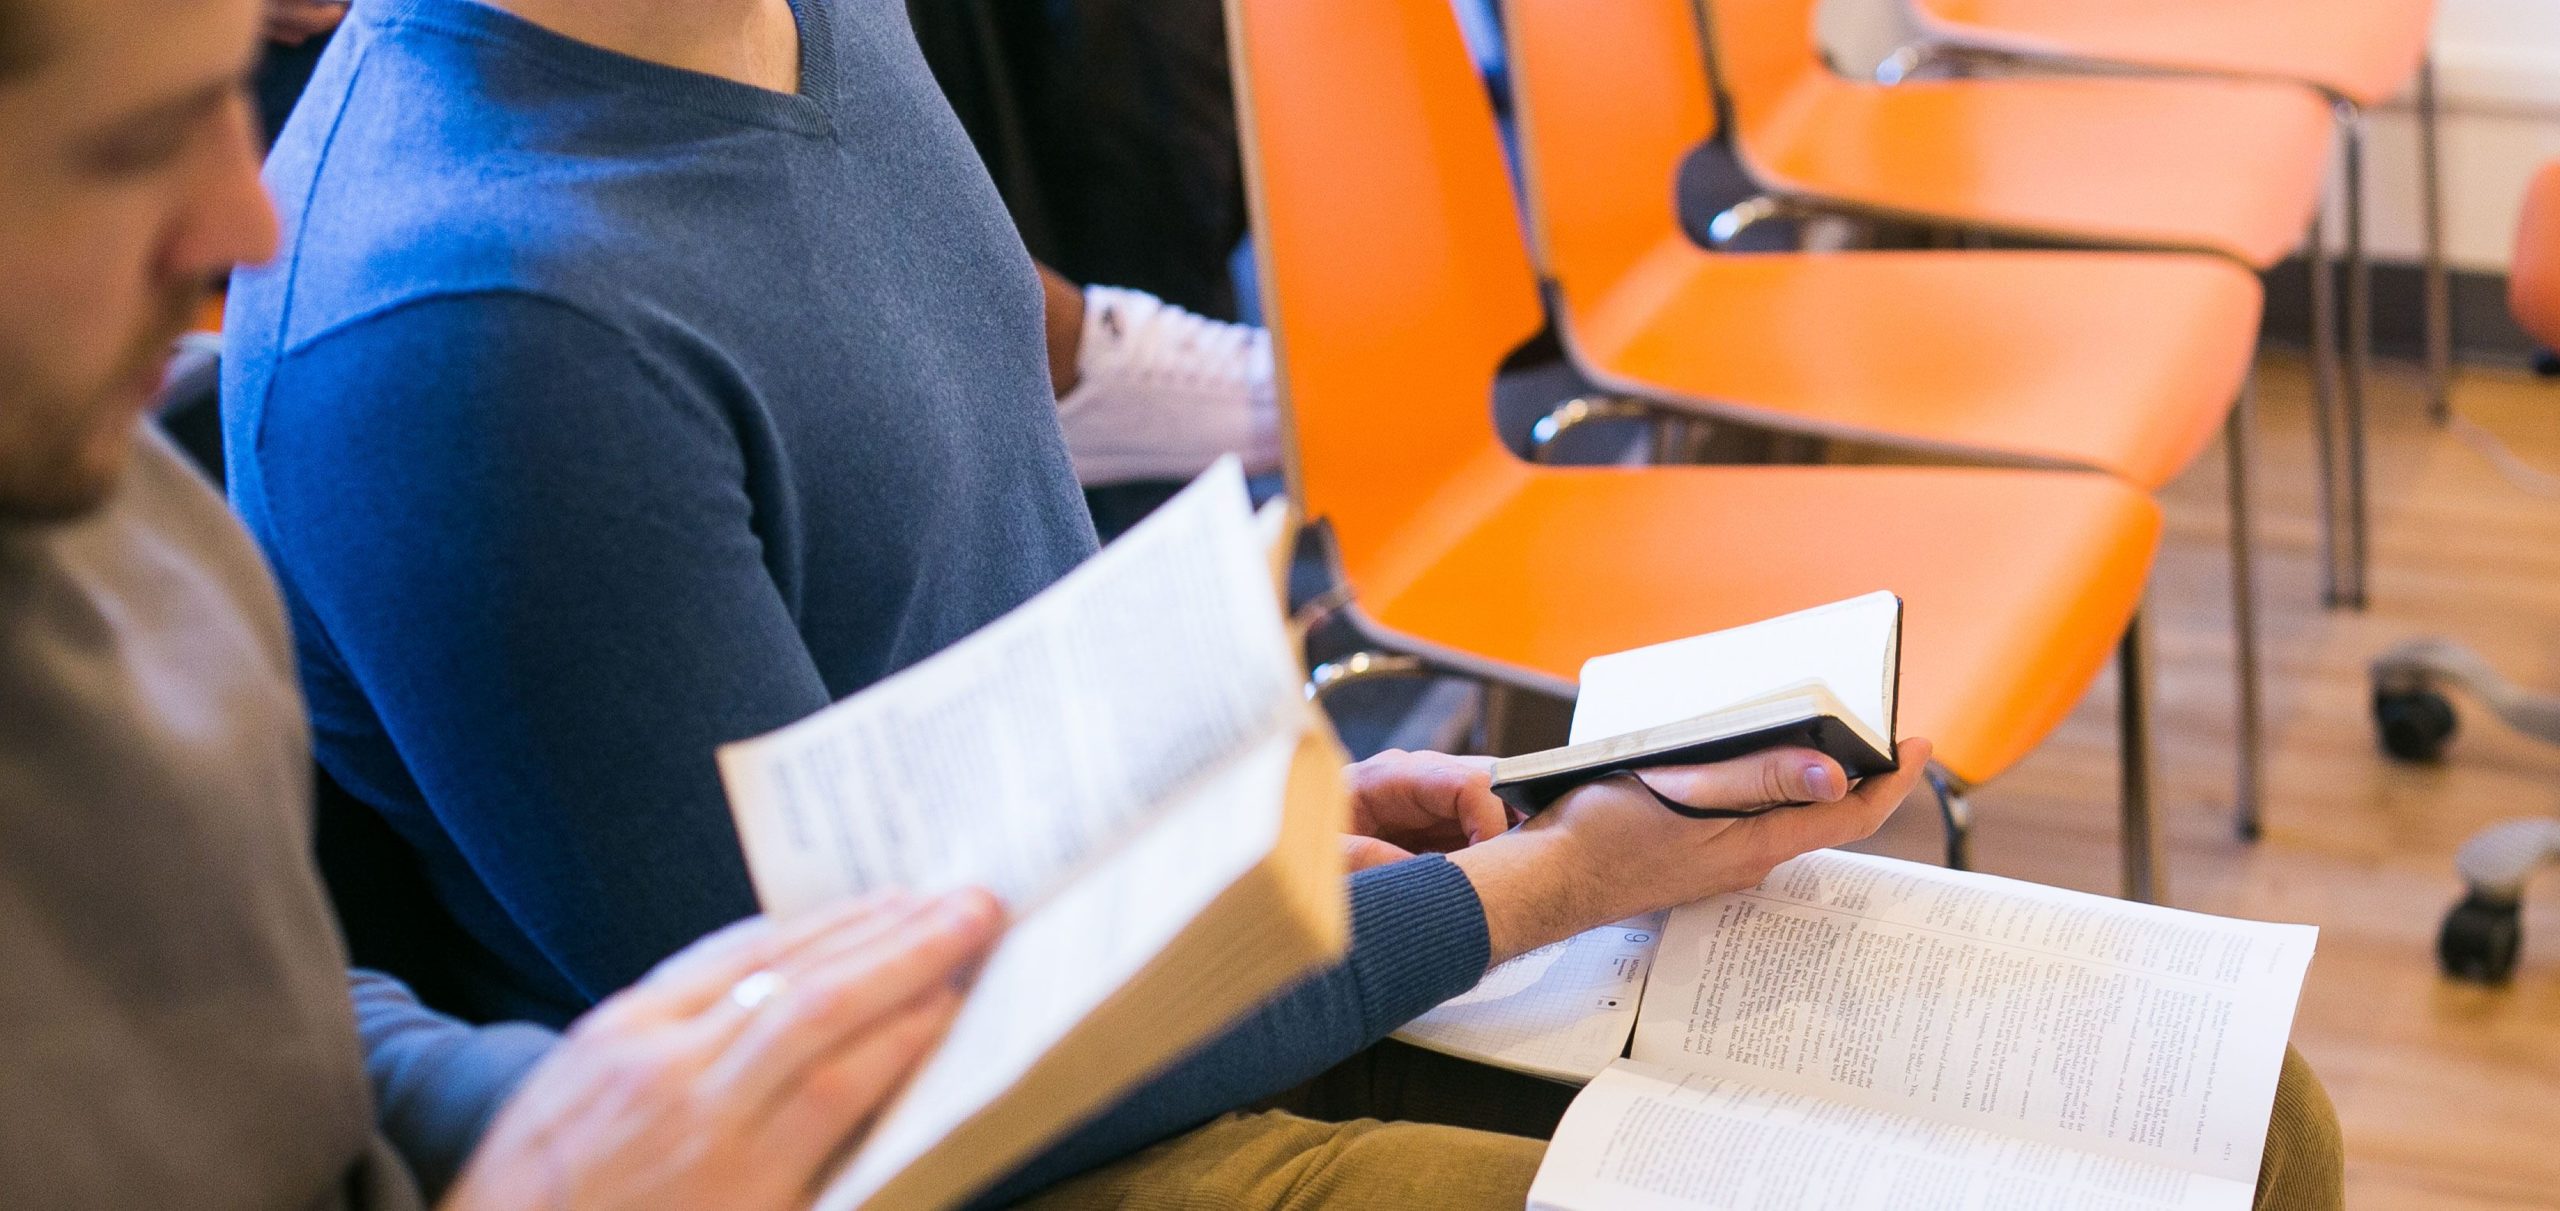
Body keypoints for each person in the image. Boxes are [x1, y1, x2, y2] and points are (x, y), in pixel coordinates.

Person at [218, 2, 2353, 1209]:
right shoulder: (469, 329)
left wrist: (1313, 804)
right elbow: (879, 1090)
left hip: (1173, 941)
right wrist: (1544, 882)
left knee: (2246, 1123)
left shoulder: (809, 25)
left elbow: (970, 628)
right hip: (1001, 1146)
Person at [0, 0, 1011, 1205]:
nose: (247, 221)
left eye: (229, 91)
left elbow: (235, 1000)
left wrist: (529, 1103)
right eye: (128, 147)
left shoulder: (120, 521)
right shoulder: (460, 315)